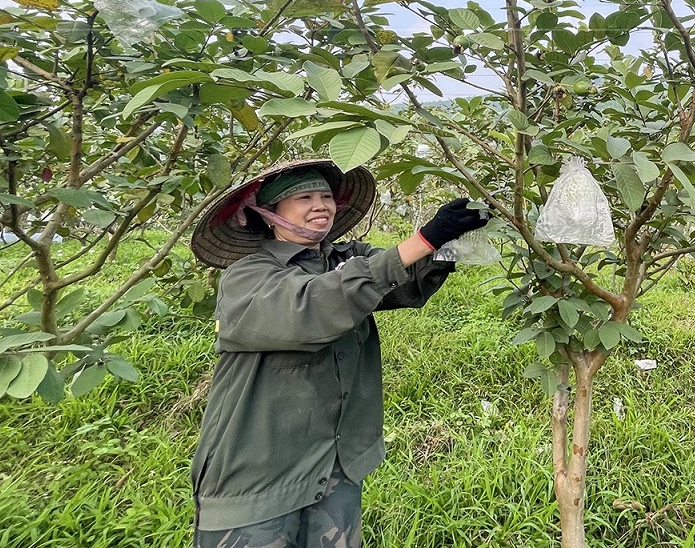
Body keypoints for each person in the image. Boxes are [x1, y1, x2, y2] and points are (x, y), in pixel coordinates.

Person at [187, 158, 488, 548]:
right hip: (259, 473)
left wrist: (449, 242)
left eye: (326, 196)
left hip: (335, 462)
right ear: (268, 214)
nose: (320, 205)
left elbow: (401, 282)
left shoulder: (344, 258)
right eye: (303, 198)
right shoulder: (246, 275)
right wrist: (423, 239)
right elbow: (310, 308)